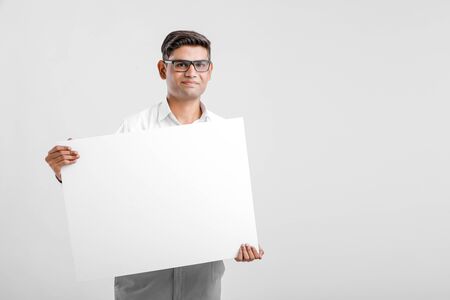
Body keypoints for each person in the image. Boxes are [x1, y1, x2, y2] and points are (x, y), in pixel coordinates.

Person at [45, 30, 264, 300]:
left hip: (202, 279)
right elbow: (107, 193)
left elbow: (230, 204)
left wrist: (242, 241)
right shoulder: (135, 128)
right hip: (142, 279)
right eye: (181, 64)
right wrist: (67, 173)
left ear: (210, 70)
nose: (191, 72)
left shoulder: (223, 136)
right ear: (163, 69)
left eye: (200, 64)